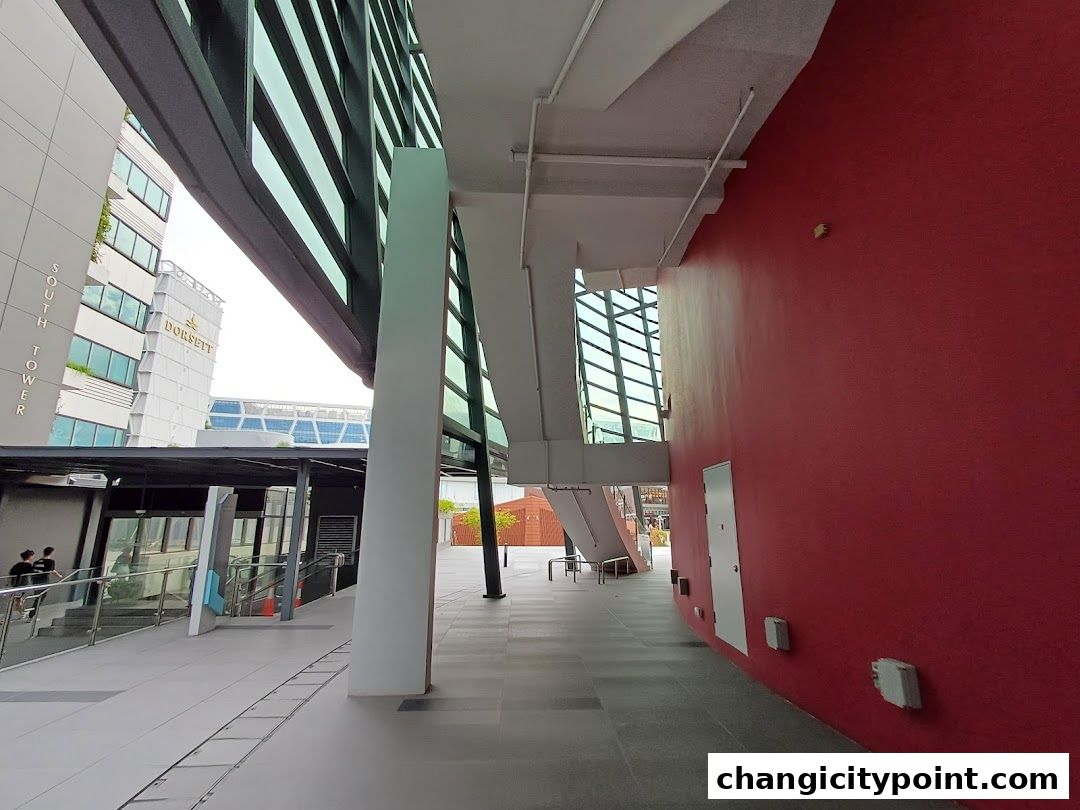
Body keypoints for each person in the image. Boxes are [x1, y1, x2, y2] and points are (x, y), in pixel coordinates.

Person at [7, 549, 35, 617]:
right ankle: (22, 613)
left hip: (15, 584)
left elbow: (11, 573)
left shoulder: (17, 565)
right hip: (23, 584)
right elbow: (32, 574)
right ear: (29, 556)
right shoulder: (29, 566)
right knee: (19, 600)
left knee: (19, 599)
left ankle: (22, 611)